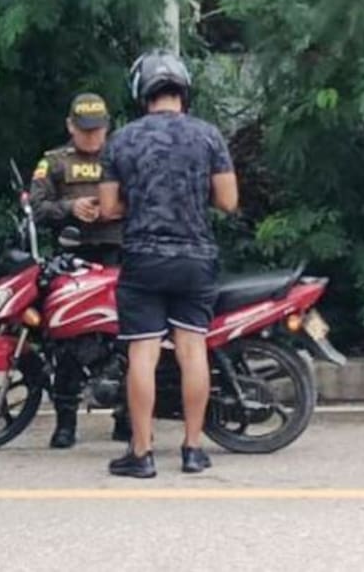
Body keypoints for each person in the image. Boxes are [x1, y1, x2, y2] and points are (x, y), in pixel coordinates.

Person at [97, 53, 238, 478]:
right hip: (196, 258)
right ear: (183, 89)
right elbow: (228, 201)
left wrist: (141, 201)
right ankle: (193, 449)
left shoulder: (121, 140)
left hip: (143, 258)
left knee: (143, 352)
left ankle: (142, 454)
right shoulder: (208, 136)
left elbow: (108, 208)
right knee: (192, 350)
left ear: (142, 91)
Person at [29, 92, 124, 448]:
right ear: (70, 126)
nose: (92, 136)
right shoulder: (55, 161)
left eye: (97, 130)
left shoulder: (123, 157)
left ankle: (127, 418)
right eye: (85, 130)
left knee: (124, 340)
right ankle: (65, 422)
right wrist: (70, 207)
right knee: (67, 342)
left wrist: (116, 209)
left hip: (117, 256)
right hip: (72, 259)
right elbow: (36, 207)